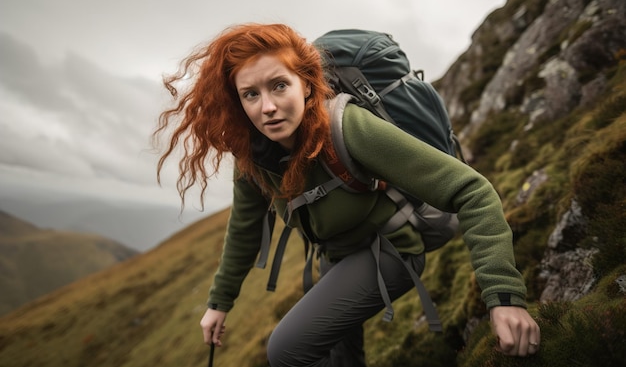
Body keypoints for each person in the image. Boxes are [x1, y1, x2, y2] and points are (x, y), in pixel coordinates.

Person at [154, 23, 540, 366]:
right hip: (335, 257)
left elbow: (472, 190)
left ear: (306, 83)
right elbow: (244, 228)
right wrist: (219, 303)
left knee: (285, 351)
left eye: (279, 85)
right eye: (250, 94)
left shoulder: (347, 127)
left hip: (389, 251)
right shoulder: (251, 154)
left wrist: (504, 300)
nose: (267, 107)